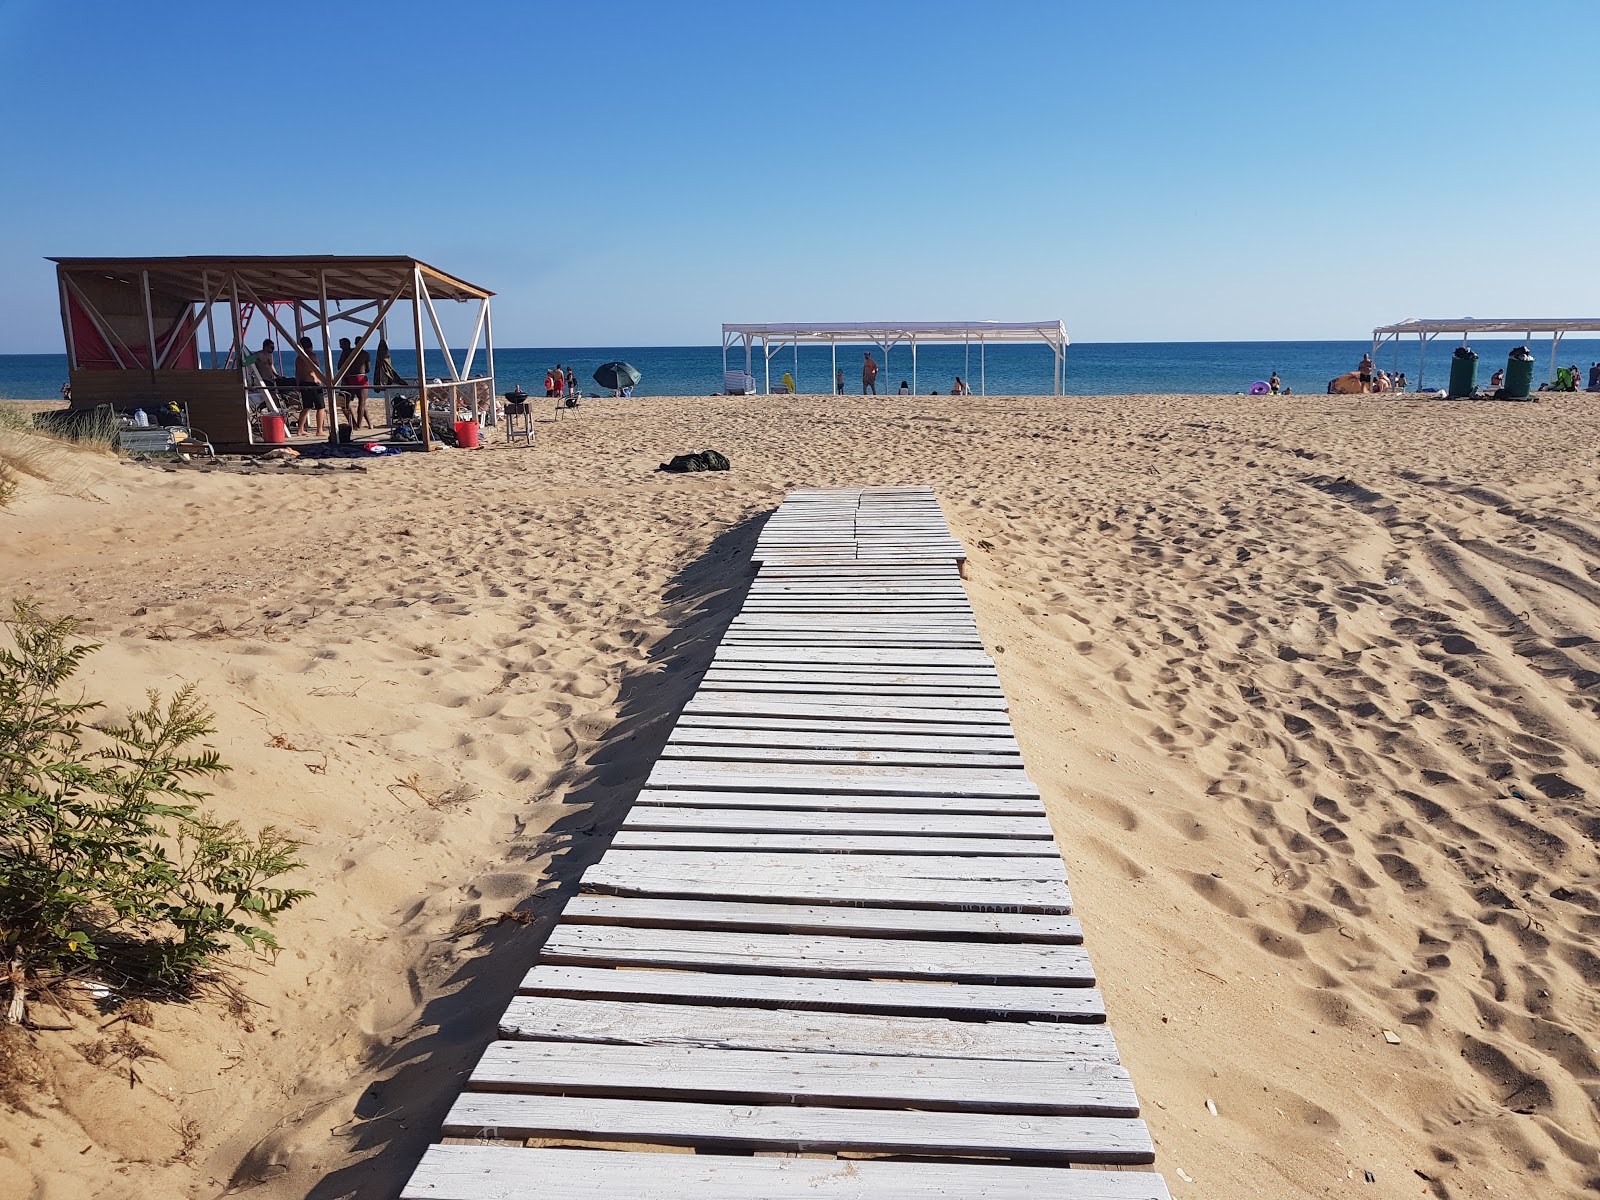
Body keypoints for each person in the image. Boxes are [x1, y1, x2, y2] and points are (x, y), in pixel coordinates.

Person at [294, 335, 326, 436]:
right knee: (321, 407)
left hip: (303, 383)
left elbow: (297, 373)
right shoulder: (312, 356)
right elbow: (316, 369)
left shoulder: (299, 358)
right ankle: (319, 430)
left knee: (306, 406)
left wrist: (298, 384)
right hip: (312, 383)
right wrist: (321, 380)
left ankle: (300, 429)